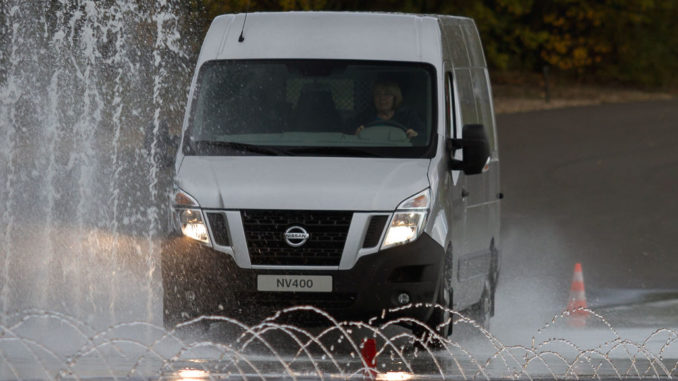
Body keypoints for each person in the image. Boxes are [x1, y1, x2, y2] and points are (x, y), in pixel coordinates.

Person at [350, 80, 424, 139]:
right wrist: (355, 134)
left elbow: (423, 136)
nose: (382, 98)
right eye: (378, 94)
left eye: (387, 94)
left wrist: (416, 134)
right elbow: (348, 134)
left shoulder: (408, 116)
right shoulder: (364, 116)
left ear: (395, 98)